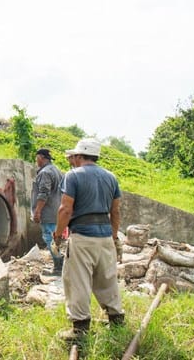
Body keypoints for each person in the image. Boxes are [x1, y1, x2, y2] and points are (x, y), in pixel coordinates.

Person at [54, 138, 125, 340]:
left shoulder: (73, 176)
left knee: (77, 281)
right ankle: (116, 320)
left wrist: (58, 235)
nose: (71, 160)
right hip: (105, 236)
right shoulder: (111, 177)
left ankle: (80, 329)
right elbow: (116, 210)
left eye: (72, 157)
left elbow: (65, 209)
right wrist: (113, 236)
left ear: (78, 156)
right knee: (107, 279)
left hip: (82, 236)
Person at [30, 148, 64, 276]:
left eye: (36, 158)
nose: (36, 161)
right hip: (57, 211)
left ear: (41, 157)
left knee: (49, 238)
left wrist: (38, 211)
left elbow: (43, 193)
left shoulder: (45, 173)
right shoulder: (56, 170)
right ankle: (59, 265)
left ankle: (58, 267)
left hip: (48, 212)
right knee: (54, 238)